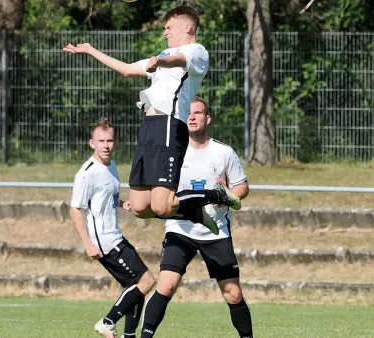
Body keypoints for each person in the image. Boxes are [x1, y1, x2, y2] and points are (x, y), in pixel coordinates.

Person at [63, 6, 239, 234]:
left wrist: (160, 61)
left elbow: (178, 59)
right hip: (149, 127)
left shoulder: (196, 51)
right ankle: (192, 211)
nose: (165, 32)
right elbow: (126, 70)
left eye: (169, 28)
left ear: (187, 27)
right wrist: (90, 50)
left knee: (161, 206)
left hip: (169, 124)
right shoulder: (163, 56)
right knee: (139, 207)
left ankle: (217, 194)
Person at [140, 96, 253, 338]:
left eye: (198, 113)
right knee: (166, 285)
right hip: (180, 227)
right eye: (188, 113)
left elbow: (242, 188)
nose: (192, 117)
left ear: (207, 118)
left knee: (233, 293)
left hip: (216, 231)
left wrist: (226, 195)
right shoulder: (173, 153)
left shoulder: (224, 152)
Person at [69, 119, 155, 338]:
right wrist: (87, 244)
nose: (106, 145)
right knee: (147, 281)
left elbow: (105, 198)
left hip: (116, 236)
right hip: (105, 242)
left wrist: (122, 204)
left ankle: (129, 336)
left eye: (109, 140)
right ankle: (107, 322)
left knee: (137, 289)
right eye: (101, 141)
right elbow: (76, 210)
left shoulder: (112, 166)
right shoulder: (87, 173)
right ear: (92, 143)